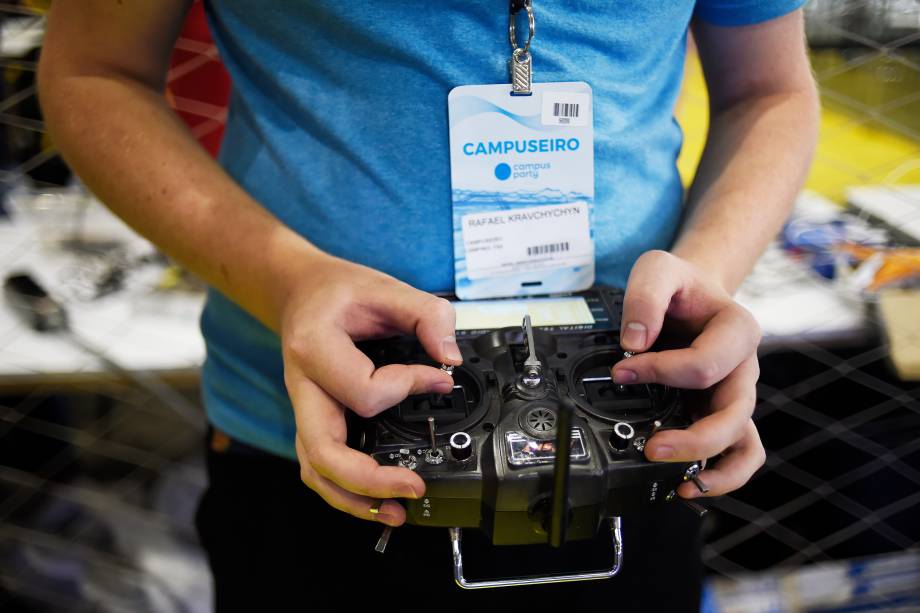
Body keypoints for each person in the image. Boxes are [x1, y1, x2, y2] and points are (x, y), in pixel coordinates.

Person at [38, 1, 818, 610]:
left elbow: (770, 90)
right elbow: (95, 72)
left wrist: (705, 279)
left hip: (632, 438)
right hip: (319, 451)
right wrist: (288, 280)